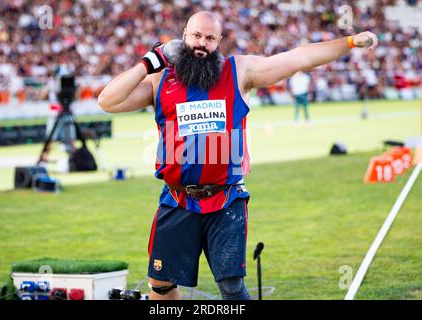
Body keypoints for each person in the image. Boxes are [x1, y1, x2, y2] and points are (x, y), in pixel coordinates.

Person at [98, 11, 378, 300]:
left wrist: (349, 42)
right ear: (184, 36)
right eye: (196, 35)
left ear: (219, 41)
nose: (201, 44)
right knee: (161, 284)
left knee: (231, 288)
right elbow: (107, 100)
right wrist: (148, 63)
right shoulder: (161, 80)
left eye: (209, 38)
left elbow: (299, 58)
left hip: (225, 200)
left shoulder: (238, 72)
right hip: (177, 199)